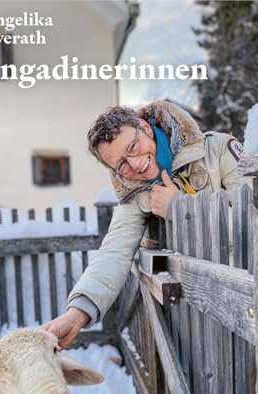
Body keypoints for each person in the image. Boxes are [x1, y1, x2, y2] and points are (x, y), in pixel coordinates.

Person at [42, 100, 250, 347]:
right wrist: (77, 314)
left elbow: (250, 224)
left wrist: (180, 208)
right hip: (196, 321)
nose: (135, 164)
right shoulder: (136, 196)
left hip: (247, 298)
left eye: (133, 146)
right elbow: (114, 251)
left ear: (145, 128)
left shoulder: (217, 150)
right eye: (121, 165)